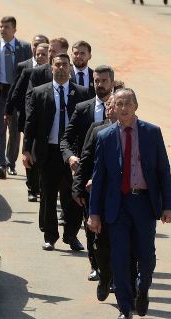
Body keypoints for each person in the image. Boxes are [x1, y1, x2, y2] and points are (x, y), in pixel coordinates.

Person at [88, 88, 171, 319]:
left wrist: (168, 206)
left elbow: (163, 172)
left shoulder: (151, 133)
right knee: (119, 258)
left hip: (144, 203)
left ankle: (143, 288)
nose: (123, 108)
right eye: (118, 104)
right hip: (117, 206)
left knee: (146, 256)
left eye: (127, 103)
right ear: (112, 108)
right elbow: (99, 177)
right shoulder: (104, 137)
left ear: (136, 106)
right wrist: (94, 213)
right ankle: (125, 308)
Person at [23, 53, 91, 252]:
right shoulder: (39, 92)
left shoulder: (82, 93)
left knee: (74, 196)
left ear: (70, 68)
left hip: (73, 154)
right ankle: (49, 236)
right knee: (48, 195)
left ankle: (71, 235)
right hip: (48, 152)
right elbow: (31, 123)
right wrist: (26, 150)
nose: (61, 69)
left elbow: (87, 125)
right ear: (51, 68)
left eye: (64, 65)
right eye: (57, 65)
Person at [61, 65, 115, 280]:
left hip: (113, 182)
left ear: (111, 82)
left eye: (103, 81)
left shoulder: (120, 107)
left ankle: (113, 270)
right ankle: (96, 266)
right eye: (96, 81)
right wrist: (71, 157)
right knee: (91, 226)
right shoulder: (83, 108)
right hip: (88, 179)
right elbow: (66, 139)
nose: (99, 85)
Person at [73, 93, 117, 301]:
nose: (111, 108)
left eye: (114, 105)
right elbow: (86, 159)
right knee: (102, 243)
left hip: (127, 200)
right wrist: (79, 188)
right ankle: (105, 275)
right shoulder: (98, 130)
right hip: (100, 196)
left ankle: (122, 284)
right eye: (108, 105)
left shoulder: (140, 132)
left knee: (127, 244)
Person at [0, 16, 32, 179]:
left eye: (7, 27)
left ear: (14, 29)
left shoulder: (24, 47)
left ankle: (11, 163)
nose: (3, 29)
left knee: (15, 132)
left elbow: (29, 71)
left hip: (17, 95)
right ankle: (0, 164)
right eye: (1, 26)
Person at [6, 37, 49, 202]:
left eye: (43, 55)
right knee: (30, 152)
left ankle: (42, 185)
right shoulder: (28, 71)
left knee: (44, 154)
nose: (40, 57)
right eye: (37, 54)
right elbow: (15, 93)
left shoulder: (54, 73)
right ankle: (32, 188)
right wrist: (21, 111)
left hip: (48, 122)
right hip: (30, 120)